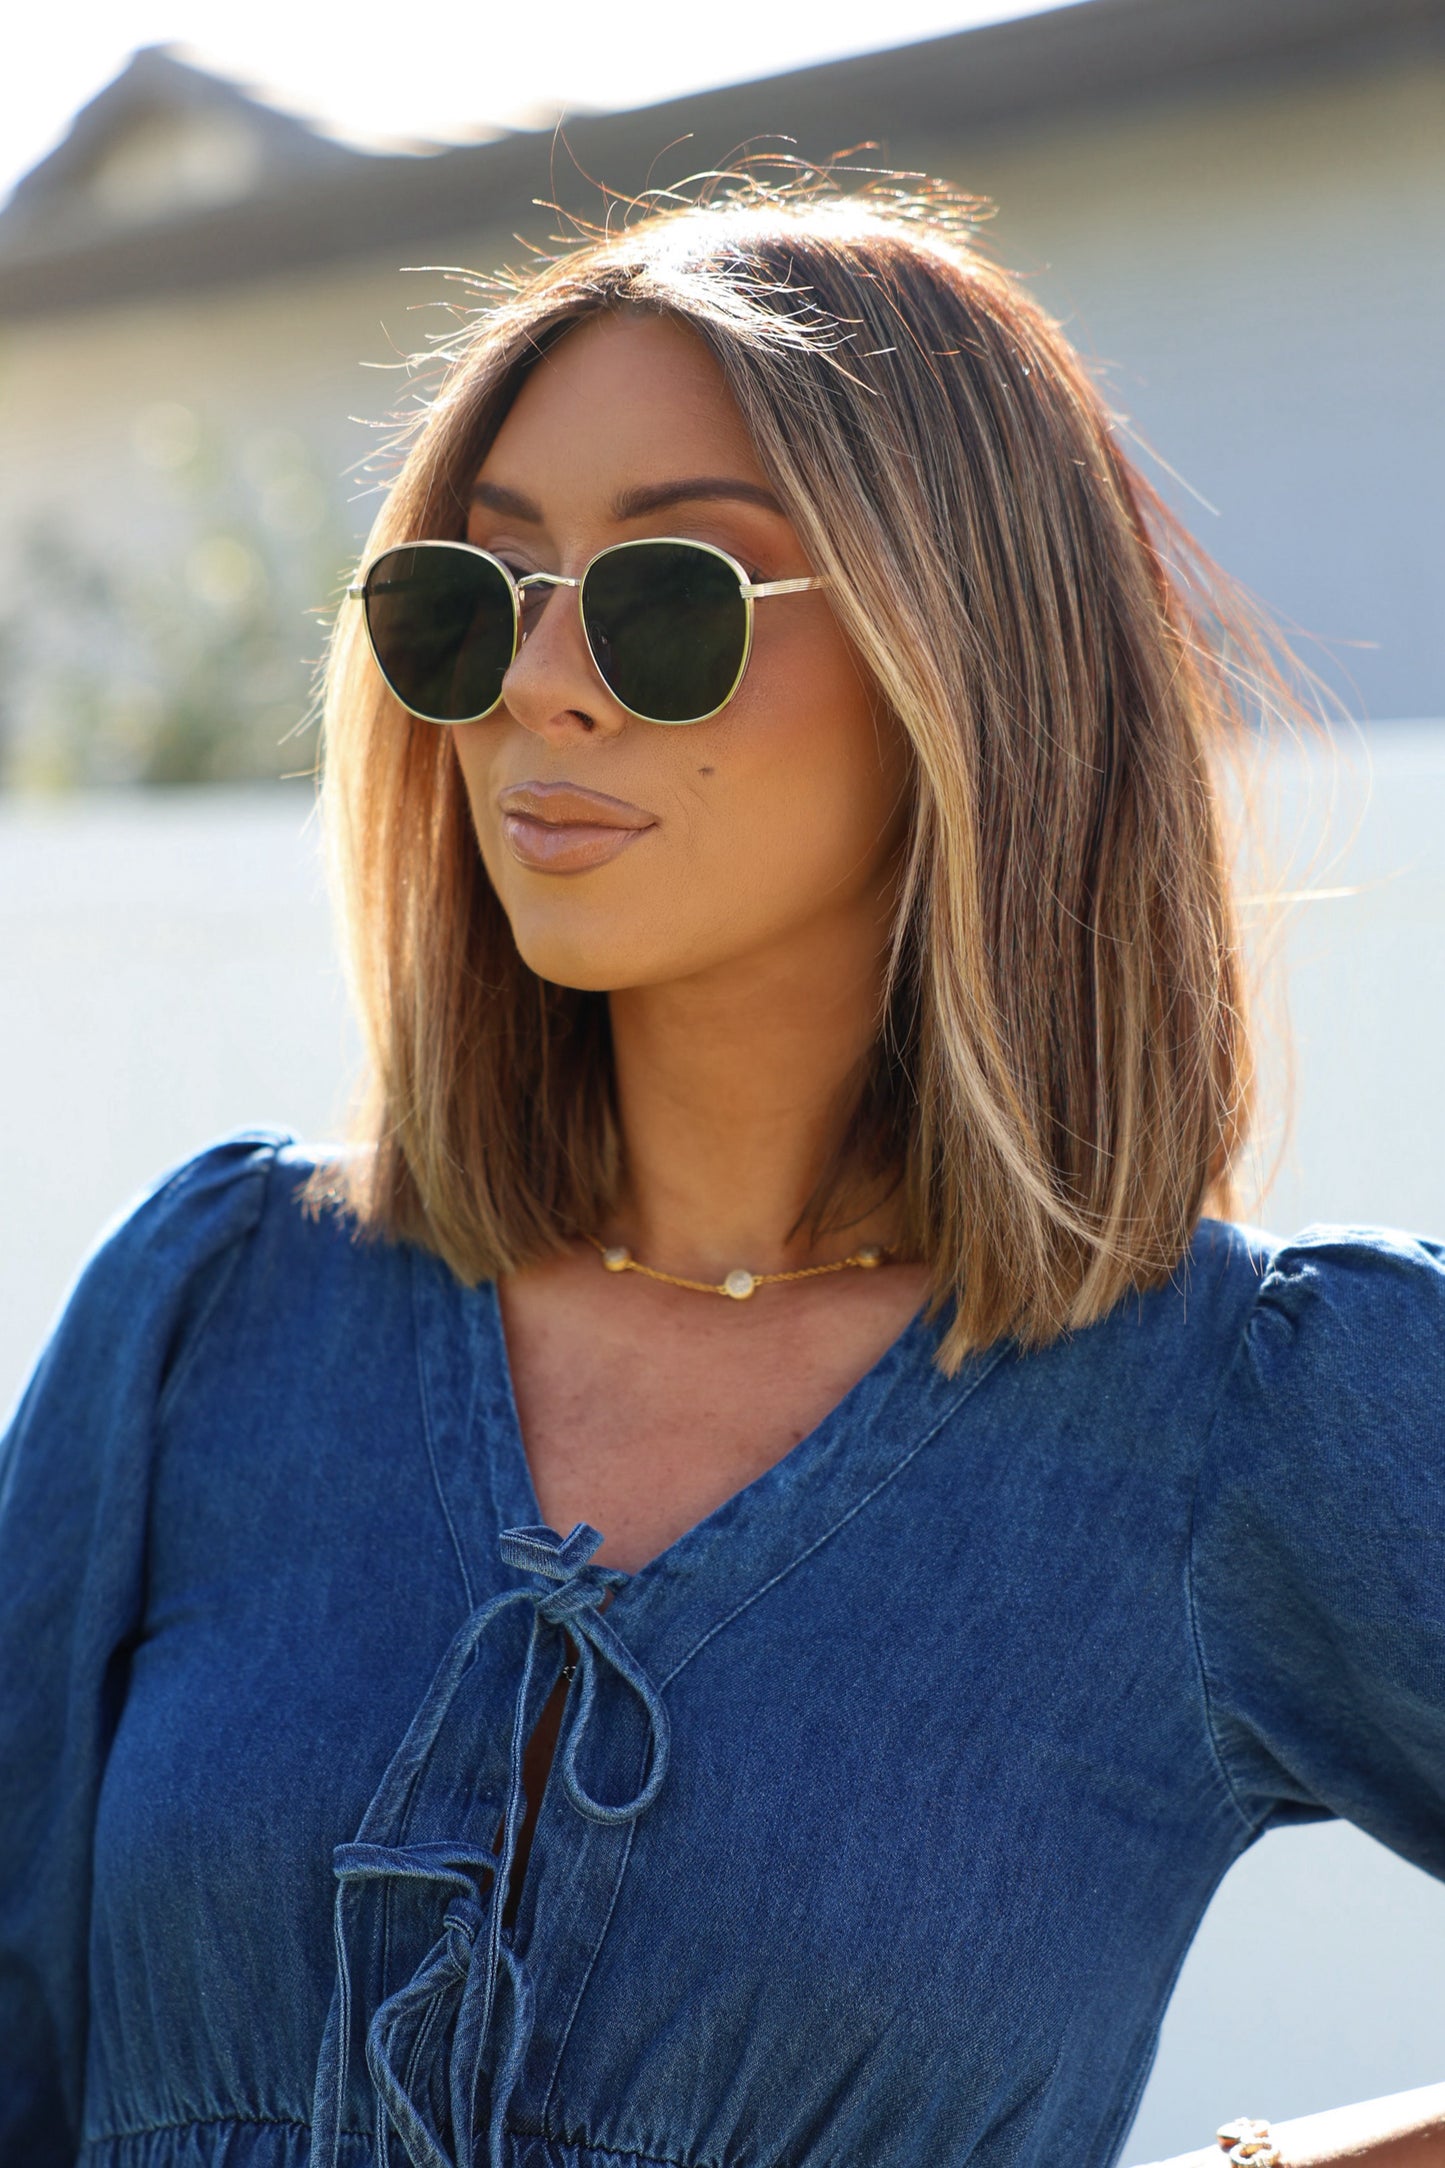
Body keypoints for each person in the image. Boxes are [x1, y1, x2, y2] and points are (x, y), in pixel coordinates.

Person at [0, 176, 1441, 2168]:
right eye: (470, 596)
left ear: (971, 659)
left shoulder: (1239, 1416)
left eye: (674, 598)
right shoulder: (216, 1306)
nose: (539, 683)